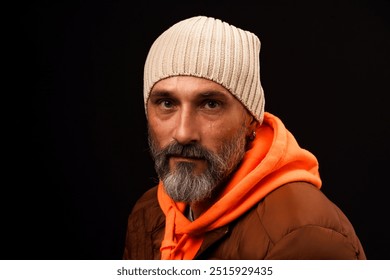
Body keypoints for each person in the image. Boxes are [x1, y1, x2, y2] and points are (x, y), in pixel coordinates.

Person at [122, 15, 366, 260]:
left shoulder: (305, 236)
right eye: (167, 103)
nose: (184, 133)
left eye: (210, 104)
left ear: (251, 119)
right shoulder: (150, 212)